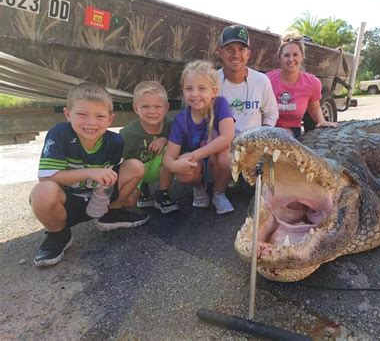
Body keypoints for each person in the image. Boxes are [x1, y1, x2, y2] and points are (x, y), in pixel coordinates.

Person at [29, 82, 149, 267]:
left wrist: (108, 193)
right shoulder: (59, 134)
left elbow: (111, 173)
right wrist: (90, 172)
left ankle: (110, 214)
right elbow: (46, 177)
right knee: (42, 192)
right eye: (82, 114)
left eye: (100, 116)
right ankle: (58, 234)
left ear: (110, 119)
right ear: (68, 114)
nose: (91, 122)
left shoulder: (115, 141)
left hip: (98, 197)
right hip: (68, 201)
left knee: (135, 167)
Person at [164, 60, 235, 214]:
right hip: (198, 166)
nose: (195, 94)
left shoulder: (221, 104)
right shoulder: (181, 120)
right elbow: (169, 157)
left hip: (215, 163)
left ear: (214, 91)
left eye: (202, 88)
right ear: (183, 90)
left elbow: (227, 136)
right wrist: (175, 166)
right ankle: (199, 188)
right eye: (189, 88)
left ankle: (218, 193)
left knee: (225, 155)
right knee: (182, 170)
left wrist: (194, 155)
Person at [119, 81, 178, 214]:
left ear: (166, 107)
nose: (152, 111)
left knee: (172, 149)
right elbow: (117, 162)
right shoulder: (127, 133)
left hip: (160, 168)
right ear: (135, 108)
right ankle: (142, 189)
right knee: (128, 202)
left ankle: (162, 193)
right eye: (145, 106)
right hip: (137, 172)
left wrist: (166, 139)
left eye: (158, 106)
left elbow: (182, 143)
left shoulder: (172, 125)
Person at [266, 30, 337, 139]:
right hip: (267, 130)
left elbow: (314, 107)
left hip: (293, 132)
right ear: (279, 57)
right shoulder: (266, 80)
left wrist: (322, 121)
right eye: (286, 55)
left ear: (302, 57)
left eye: (295, 55)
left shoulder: (312, 83)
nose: (291, 59)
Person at [217, 24, 278, 135]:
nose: (236, 55)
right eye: (229, 49)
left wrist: (263, 134)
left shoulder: (261, 81)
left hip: (252, 144)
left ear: (248, 54)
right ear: (221, 53)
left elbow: (271, 113)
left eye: (241, 49)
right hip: (220, 145)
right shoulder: (211, 81)